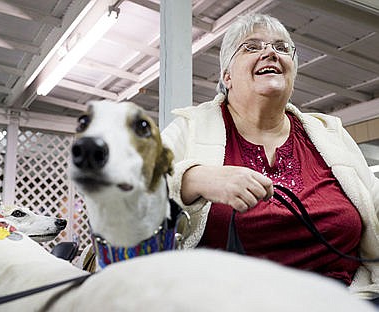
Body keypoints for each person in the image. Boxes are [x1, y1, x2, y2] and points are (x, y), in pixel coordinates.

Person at [161, 13, 379, 301]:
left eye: (281, 47)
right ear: (227, 76)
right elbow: (135, 188)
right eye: (252, 47)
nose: (270, 53)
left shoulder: (328, 132)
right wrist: (194, 178)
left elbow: (372, 199)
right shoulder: (190, 127)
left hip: (347, 300)